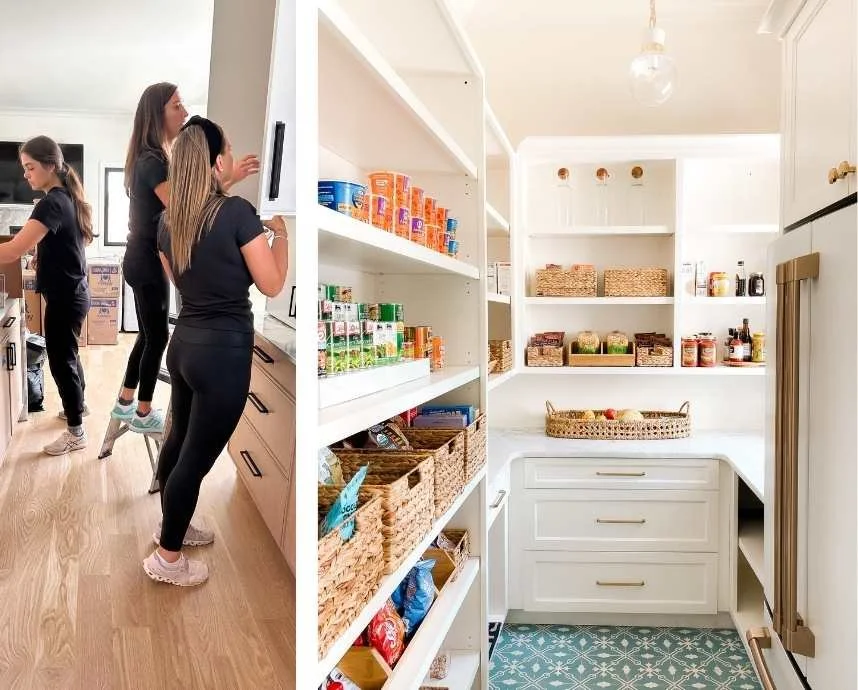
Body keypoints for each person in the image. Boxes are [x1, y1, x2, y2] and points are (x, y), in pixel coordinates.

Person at [142, 116, 288, 586]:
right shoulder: (238, 214)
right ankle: (166, 559)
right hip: (223, 354)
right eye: (225, 150)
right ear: (215, 162)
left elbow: (176, 278)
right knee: (196, 458)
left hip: (183, 345)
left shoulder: (168, 222)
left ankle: (173, 530)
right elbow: (271, 283)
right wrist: (280, 235)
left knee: (179, 440)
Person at [118, 82, 260, 434]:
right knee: (157, 338)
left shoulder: (153, 158)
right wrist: (229, 181)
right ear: (157, 114)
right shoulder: (152, 161)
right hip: (148, 260)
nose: (184, 112)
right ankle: (143, 412)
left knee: (148, 334)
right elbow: (187, 211)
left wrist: (225, 180)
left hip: (145, 258)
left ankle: (125, 400)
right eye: (176, 106)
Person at [0, 136, 92, 455]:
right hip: (74, 292)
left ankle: (76, 432)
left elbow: (12, 251)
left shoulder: (52, 201)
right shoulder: (64, 197)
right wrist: (45, 254)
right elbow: (66, 243)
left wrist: (33, 252)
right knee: (69, 355)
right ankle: (77, 408)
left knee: (61, 360)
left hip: (66, 296)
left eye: (30, 167)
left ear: (50, 165)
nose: (26, 174)